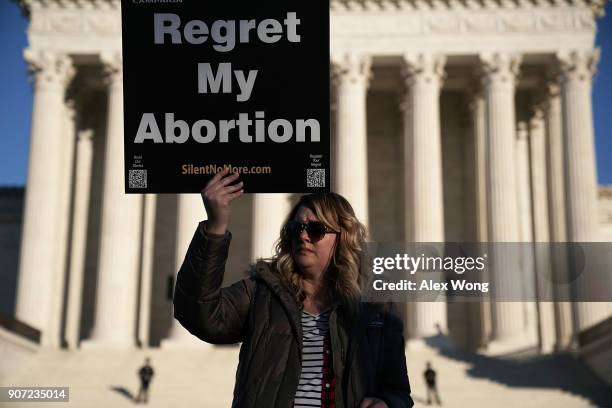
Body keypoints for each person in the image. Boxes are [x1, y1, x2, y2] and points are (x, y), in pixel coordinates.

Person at [173, 167, 413, 407]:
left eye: (316, 230)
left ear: (343, 237)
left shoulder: (376, 308)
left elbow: (398, 390)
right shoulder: (261, 292)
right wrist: (215, 228)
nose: (303, 236)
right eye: (295, 228)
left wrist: (388, 403)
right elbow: (198, 313)